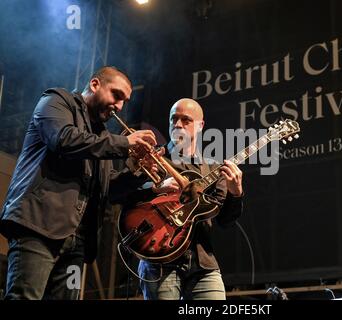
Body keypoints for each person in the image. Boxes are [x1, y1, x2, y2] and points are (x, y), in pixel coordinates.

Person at [0, 66, 158, 300]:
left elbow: (108, 190)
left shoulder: (102, 136)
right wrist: (125, 143)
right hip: (39, 227)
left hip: (78, 243)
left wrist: (138, 172)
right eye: (116, 95)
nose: (120, 106)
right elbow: (64, 139)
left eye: (125, 100)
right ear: (95, 84)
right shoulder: (56, 100)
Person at [135, 98, 243, 300]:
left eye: (186, 120)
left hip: (202, 263)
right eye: (173, 119)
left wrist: (236, 193)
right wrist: (156, 189)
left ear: (200, 126)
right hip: (159, 260)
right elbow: (127, 197)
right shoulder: (154, 159)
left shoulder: (212, 168)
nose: (177, 124)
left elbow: (225, 221)